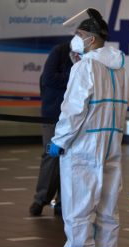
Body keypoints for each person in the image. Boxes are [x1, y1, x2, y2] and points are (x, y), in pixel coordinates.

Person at [47, 8, 129, 247]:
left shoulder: (85, 67)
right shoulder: (120, 68)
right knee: (107, 198)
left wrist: (59, 139)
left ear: (91, 38)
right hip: (112, 142)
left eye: (79, 34)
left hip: (83, 143)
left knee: (78, 197)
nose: (75, 39)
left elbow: (73, 110)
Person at [29, 42, 78, 216]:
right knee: (51, 155)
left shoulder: (90, 58)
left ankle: (62, 202)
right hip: (53, 113)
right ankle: (40, 199)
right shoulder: (61, 51)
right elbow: (48, 78)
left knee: (70, 158)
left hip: (74, 116)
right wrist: (74, 76)